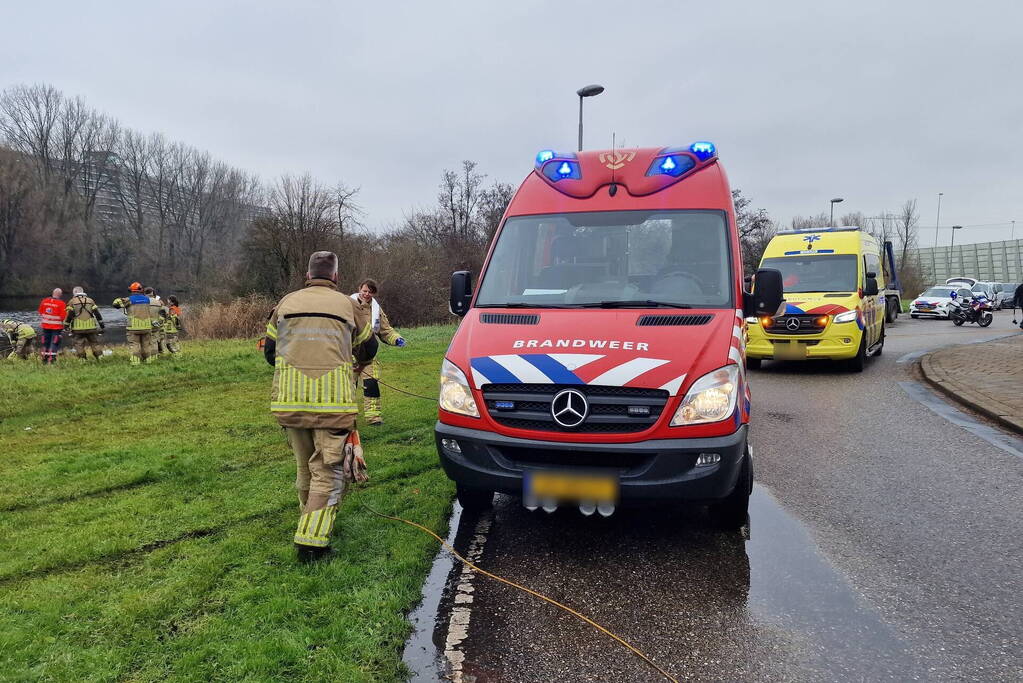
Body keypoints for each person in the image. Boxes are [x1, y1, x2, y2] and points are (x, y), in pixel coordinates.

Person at [263, 251, 371, 562]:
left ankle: (307, 519)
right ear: (335, 277)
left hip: (290, 399)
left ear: (308, 275)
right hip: (332, 401)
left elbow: (270, 352)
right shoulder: (348, 305)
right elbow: (369, 347)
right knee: (328, 469)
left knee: (303, 467)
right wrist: (353, 360)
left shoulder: (286, 302)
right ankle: (311, 543)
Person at [350, 278, 407, 426]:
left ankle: (373, 418)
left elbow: (385, 330)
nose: (367, 294)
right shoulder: (347, 305)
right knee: (349, 387)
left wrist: (397, 339)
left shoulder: (376, 310)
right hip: (349, 355)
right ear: (359, 289)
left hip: (369, 355)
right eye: (365, 291)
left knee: (371, 385)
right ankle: (347, 418)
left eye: (370, 292)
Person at [113, 282, 166, 365]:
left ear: (131, 290)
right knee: (146, 345)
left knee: (135, 344)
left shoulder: (129, 300)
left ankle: (135, 362)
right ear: (140, 290)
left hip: (134, 328)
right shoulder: (147, 299)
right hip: (147, 327)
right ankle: (148, 361)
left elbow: (115, 304)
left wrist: (121, 299)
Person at [64, 286, 107, 360]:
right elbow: (97, 314)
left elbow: (69, 315)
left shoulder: (72, 301)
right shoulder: (90, 300)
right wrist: (101, 325)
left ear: (75, 292)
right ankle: (100, 357)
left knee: (78, 344)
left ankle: (82, 359)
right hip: (91, 327)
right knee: (94, 342)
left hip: (78, 328)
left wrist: (66, 326)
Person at [38, 288, 66, 365]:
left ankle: (44, 359)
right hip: (56, 328)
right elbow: (63, 317)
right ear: (60, 294)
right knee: (54, 342)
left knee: (45, 343)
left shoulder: (44, 301)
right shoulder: (61, 303)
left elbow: (40, 312)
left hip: (45, 326)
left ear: (53, 293)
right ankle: (52, 359)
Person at [145, 287, 170, 354]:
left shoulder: (143, 302)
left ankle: (149, 354)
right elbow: (166, 311)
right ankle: (158, 353)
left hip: (145, 324)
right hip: (157, 324)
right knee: (157, 340)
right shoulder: (159, 302)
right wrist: (162, 321)